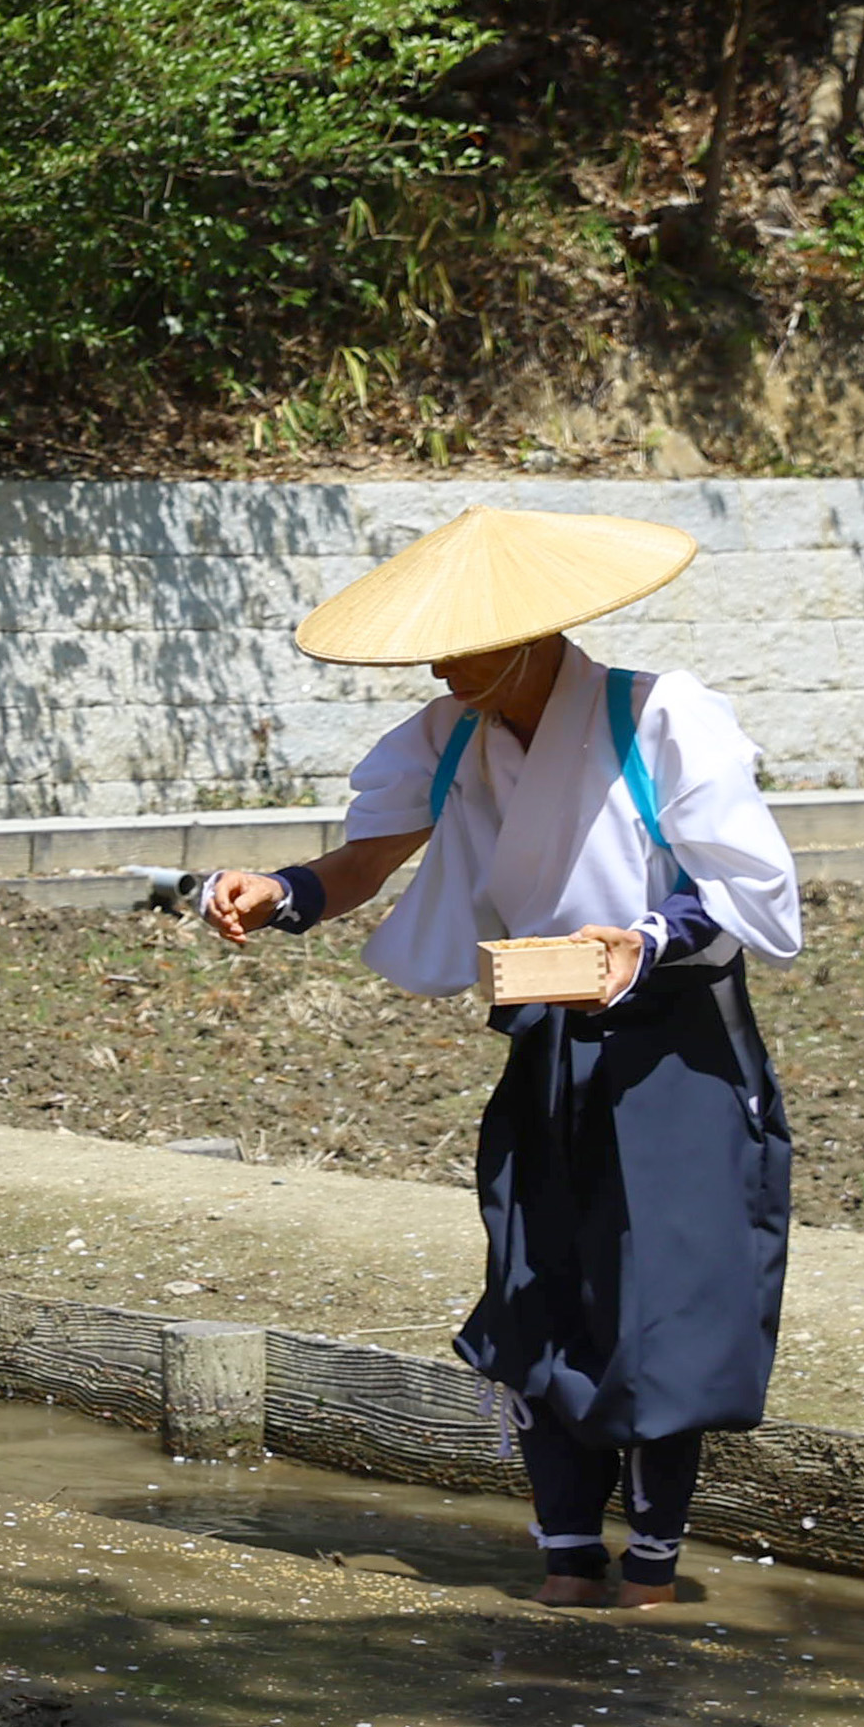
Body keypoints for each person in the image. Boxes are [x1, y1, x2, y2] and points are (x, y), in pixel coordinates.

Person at [199, 506, 801, 1608]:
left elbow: (741, 893)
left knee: (662, 1298)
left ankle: (656, 1570)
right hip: (548, 1037)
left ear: (535, 633)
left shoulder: (659, 714)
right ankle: (566, 1560)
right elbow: (366, 860)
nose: (440, 662)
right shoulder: (447, 737)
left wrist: (640, 938)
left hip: (674, 1042)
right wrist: (278, 894)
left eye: (464, 640)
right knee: (538, 1284)